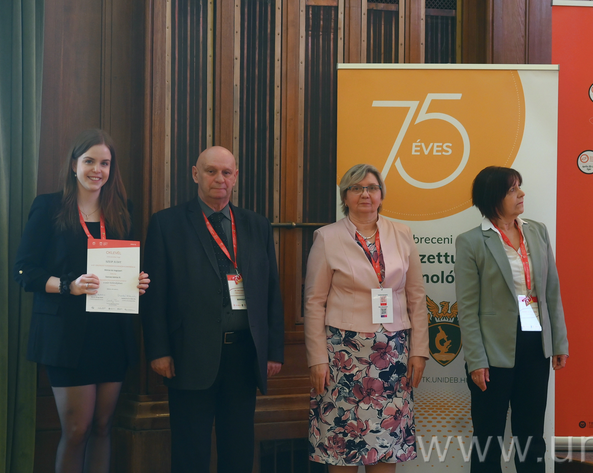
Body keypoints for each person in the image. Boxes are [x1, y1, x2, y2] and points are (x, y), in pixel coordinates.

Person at [141, 146, 284, 473]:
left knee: (238, 451)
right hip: (188, 355)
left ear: (235, 177)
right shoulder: (167, 223)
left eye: (226, 172)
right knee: (190, 453)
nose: (219, 178)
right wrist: (159, 350)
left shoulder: (257, 225)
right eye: (211, 171)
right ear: (196, 174)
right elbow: (154, 295)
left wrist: (273, 350)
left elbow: (271, 290)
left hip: (244, 356)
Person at [14, 129, 150, 473]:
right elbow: (24, 271)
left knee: (103, 427)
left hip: (111, 335)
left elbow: (129, 266)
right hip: (65, 338)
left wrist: (137, 282)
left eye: (105, 163)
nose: (97, 170)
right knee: (77, 431)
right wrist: (68, 286)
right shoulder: (48, 206)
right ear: (74, 164)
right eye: (89, 161)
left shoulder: (122, 210)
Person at [304, 163, 427, 471]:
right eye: (356, 188)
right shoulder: (327, 237)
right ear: (345, 196)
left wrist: (419, 351)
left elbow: (416, 296)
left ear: (381, 195)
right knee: (342, 447)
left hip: (393, 357)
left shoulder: (402, 234)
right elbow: (314, 303)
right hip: (343, 357)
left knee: (386, 448)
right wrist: (317, 358)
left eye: (372, 188)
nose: (365, 194)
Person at [454, 166, 569, 473]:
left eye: (520, 187)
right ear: (493, 197)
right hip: (492, 350)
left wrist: (558, 342)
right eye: (512, 190)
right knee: (488, 436)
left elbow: (551, 291)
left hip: (534, 340)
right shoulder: (471, 241)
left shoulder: (537, 231)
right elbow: (467, 308)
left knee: (531, 435)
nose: (521, 194)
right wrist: (476, 360)